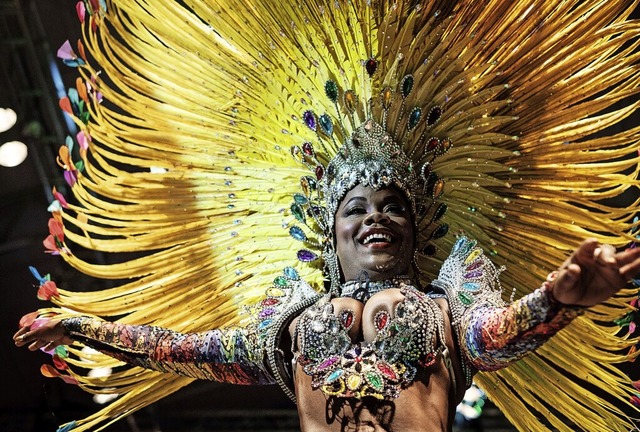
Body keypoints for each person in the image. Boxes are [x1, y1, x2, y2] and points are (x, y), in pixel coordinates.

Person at [12, 1, 640, 431]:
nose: (377, 218)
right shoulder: (288, 318)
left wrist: (557, 300)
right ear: (329, 231)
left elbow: (493, 336)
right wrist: (86, 325)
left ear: (416, 231)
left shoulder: (451, 298)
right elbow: (185, 349)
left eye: (394, 207)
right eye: (359, 208)